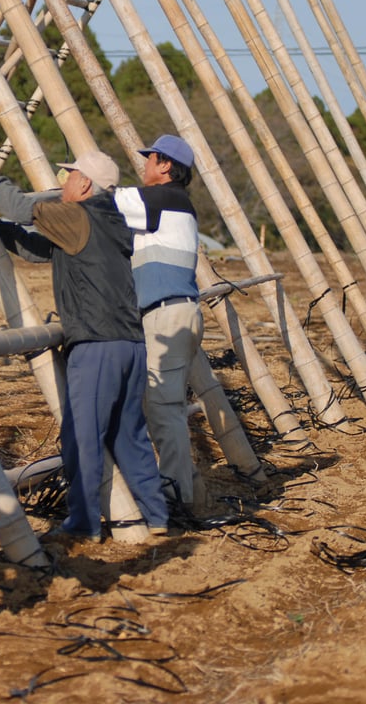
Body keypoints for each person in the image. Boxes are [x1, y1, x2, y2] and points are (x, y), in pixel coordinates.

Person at [0, 152, 168, 541]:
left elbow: (21, 206)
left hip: (96, 345)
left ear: (86, 184)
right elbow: (35, 249)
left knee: (82, 437)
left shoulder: (77, 216)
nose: (63, 182)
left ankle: (84, 523)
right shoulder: (108, 222)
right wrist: (1, 229)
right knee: (129, 435)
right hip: (129, 343)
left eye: (70, 174)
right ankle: (156, 515)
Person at [113, 134, 205, 516]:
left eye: (149, 158)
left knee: (165, 411)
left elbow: (102, 201)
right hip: (172, 312)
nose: (145, 164)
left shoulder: (162, 199)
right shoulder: (169, 205)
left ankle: (179, 501)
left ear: (165, 165)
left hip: (167, 314)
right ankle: (184, 491)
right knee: (162, 408)